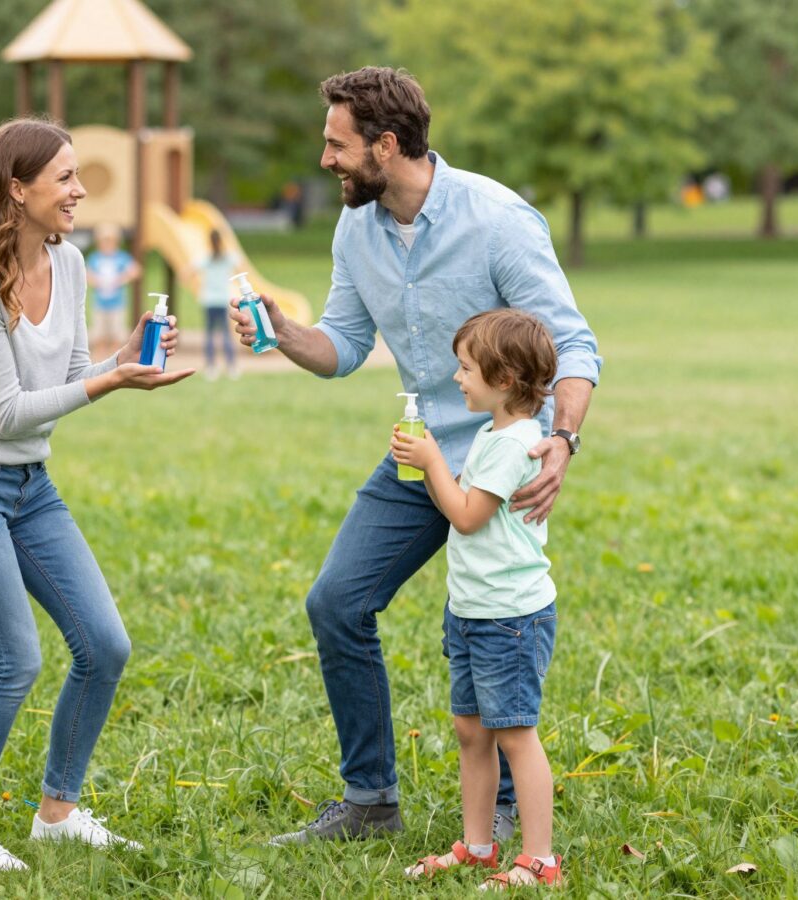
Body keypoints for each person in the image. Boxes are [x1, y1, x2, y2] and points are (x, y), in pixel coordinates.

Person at [230, 67, 600, 845]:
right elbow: (342, 348)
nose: (325, 159)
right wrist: (280, 331)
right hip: (417, 457)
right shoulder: (354, 229)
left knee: (494, 623)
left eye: (337, 144)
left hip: (499, 459)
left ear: (386, 145)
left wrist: (562, 440)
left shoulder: (496, 219)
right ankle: (370, 802)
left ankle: (503, 810)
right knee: (336, 603)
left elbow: (572, 343)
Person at [0, 118, 193, 871]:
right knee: (14, 660)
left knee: (104, 645)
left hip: (29, 485)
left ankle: (58, 812)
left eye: (78, 176)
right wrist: (108, 379)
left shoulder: (67, 264)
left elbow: (68, 373)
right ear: (18, 189)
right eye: (65, 178)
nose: (80, 191)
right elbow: (4, 411)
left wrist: (124, 357)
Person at [394, 309, 562, 888]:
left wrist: (432, 461)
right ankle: (478, 845)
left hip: (510, 618)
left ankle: (540, 860)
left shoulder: (516, 445)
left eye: (466, 368)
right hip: (471, 611)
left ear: (506, 379)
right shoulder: (494, 434)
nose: (458, 378)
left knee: (515, 733)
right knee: (472, 731)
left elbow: (466, 518)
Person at [85, 222, 141, 360]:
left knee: (116, 334)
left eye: (110, 242)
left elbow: (136, 270)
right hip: (100, 303)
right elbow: (86, 273)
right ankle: (99, 360)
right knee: (99, 334)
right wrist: (96, 281)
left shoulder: (121, 258)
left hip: (117, 304)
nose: (107, 245)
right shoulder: (95, 258)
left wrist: (121, 279)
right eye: (104, 242)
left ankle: (115, 359)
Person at [194, 229, 240, 380]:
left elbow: (188, 270)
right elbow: (240, 266)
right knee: (226, 334)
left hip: (209, 300)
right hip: (222, 300)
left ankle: (211, 367)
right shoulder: (228, 257)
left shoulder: (206, 258)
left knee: (209, 334)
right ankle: (231, 366)